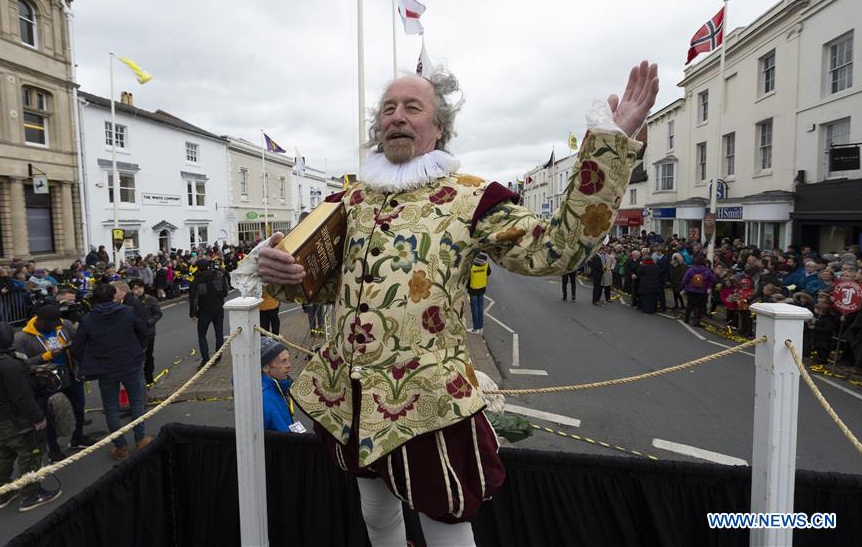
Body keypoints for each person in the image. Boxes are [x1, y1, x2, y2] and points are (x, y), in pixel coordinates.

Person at [255, 62, 657, 545]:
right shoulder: (349, 201)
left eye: (412, 107)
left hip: (428, 399)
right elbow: (318, 284)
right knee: (374, 508)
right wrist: (284, 271)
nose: (397, 116)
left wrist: (611, 145)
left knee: (445, 518)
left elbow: (559, 248)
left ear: (438, 126)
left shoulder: (471, 197)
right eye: (388, 108)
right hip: (350, 396)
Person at [0, 323, 62, 511]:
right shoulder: (9, 364)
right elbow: (23, 397)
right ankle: (32, 494)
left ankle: (1, 492)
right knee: (30, 453)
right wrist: (38, 418)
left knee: (2, 454)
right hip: (17, 417)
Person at [71, 283, 150, 460]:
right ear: (114, 296)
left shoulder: (88, 319)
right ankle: (140, 439)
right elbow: (144, 331)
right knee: (137, 401)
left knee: (111, 407)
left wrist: (91, 359)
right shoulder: (127, 311)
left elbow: (77, 347)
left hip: (105, 368)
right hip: (130, 363)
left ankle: (121, 447)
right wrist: (139, 348)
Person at [12, 305, 94, 461]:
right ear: (41, 321)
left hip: (69, 373)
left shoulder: (65, 325)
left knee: (79, 406)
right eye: (52, 324)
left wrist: (74, 349)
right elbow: (21, 365)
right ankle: (53, 449)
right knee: (47, 415)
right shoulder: (22, 338)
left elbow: (79, 342)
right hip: (44, 380)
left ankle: (78, 437)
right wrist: (46, 356)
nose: (57, 325)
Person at [259, 337, 304, 433]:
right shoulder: (263, 398)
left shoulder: (279, 386)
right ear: (266, 367)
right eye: (283, 361)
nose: (289, 365)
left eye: (288, 359)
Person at [123, 279, 163, 385]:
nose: (138, 290)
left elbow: (158, 314)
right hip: (134, 333)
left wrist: (147, 323)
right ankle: (139, 380)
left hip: (148, 333)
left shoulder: (150, 299)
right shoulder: (129, 301)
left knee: (148, 356)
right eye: (135, 288)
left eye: (139, 287)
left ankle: (149, 378)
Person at [190, 259, 227, 369]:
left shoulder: (197, 280)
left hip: (204, 311)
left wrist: (192, 313)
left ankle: (205, 359)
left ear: (198, 267)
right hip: (218, 309)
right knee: (219, 334)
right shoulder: (218, 276)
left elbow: (194, 298)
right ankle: (217, 358)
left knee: (202, 335)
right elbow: (225, 292)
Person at [681, 255, 715, 326]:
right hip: (702, 291)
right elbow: (712, 279)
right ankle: (696, 321)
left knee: (690, 305)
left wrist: (684, 286)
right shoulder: (707, 270)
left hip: (691, 290)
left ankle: (686, 319)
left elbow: (684, 280)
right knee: (699, 307)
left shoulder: (691, 269)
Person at [467, 252, 491, 333]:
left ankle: (475, 328)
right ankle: (480, 327)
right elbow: (488, 273)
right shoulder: (486, 265)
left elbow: (467, 278)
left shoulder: (472, 266)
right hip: (482, 289)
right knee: (480, 308)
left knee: (474, 310)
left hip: (473, 290)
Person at [636, 250, 661, 314]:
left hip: (645, 285)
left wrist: (640, 265)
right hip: (654, 285)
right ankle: (653, 309)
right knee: (653, 298)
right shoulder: (656, 266)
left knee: (646, 298)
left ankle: (646, 309)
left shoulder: (643, 266)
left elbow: (638, 273)